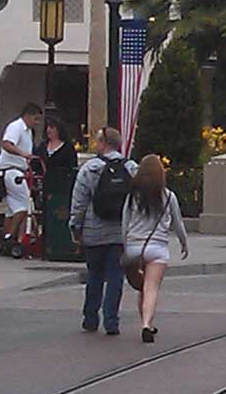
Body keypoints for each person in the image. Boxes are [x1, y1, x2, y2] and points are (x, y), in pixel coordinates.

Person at [69, 128, 138, 336]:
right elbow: (138, 201)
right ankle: (111, 321)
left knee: (95, 274)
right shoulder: (131, 168)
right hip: (120, 231)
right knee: (116, 276)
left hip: (94, 230)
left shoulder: (90, 168)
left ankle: (90, 318)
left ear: (103, 143)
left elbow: (79, 201)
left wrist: (75, 225)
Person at [120, 155, 189, 344]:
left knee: (141, 286)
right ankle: (146, 324)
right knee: (151, 287)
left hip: (134, 247)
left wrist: (124, 245)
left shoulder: (133, 195)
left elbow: (125, 223)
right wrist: (184, 243)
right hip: (158, 248)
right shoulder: (168, 196)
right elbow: (178, 222)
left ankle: (146, 322)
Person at [0, 103, 44, 258]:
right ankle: (13, 237)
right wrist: (23, 154)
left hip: (16, 170)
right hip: (12, 171)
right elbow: (6, 144)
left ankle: (7, 240)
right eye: (35, 119)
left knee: (11, 210)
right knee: (24, 205)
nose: (36, 122)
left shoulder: (28, 132)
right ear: (28, 115)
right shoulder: (16, 127)